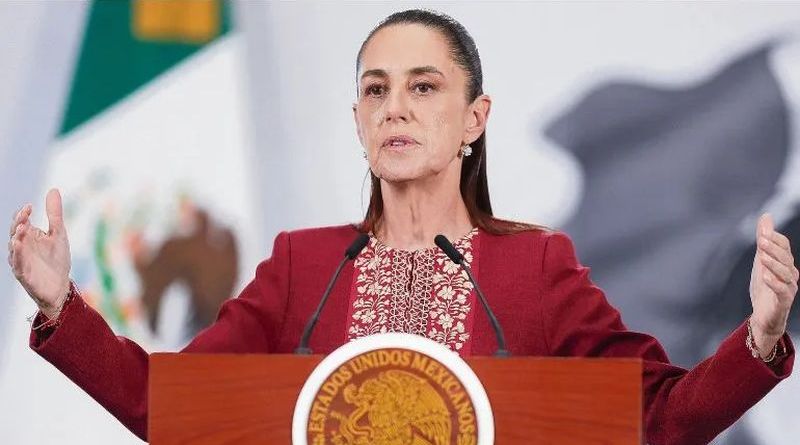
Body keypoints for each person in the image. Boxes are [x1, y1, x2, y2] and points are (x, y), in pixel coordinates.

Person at [7, 9, 796, 445]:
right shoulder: (302, 267)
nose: (395, 108)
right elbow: (171, 408)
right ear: (357, 119)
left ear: (474, 119)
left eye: (424, 87)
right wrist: (60, 308)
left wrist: (759, 338)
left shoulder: (537, 267)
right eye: (376, 90)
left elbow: (662, 419)